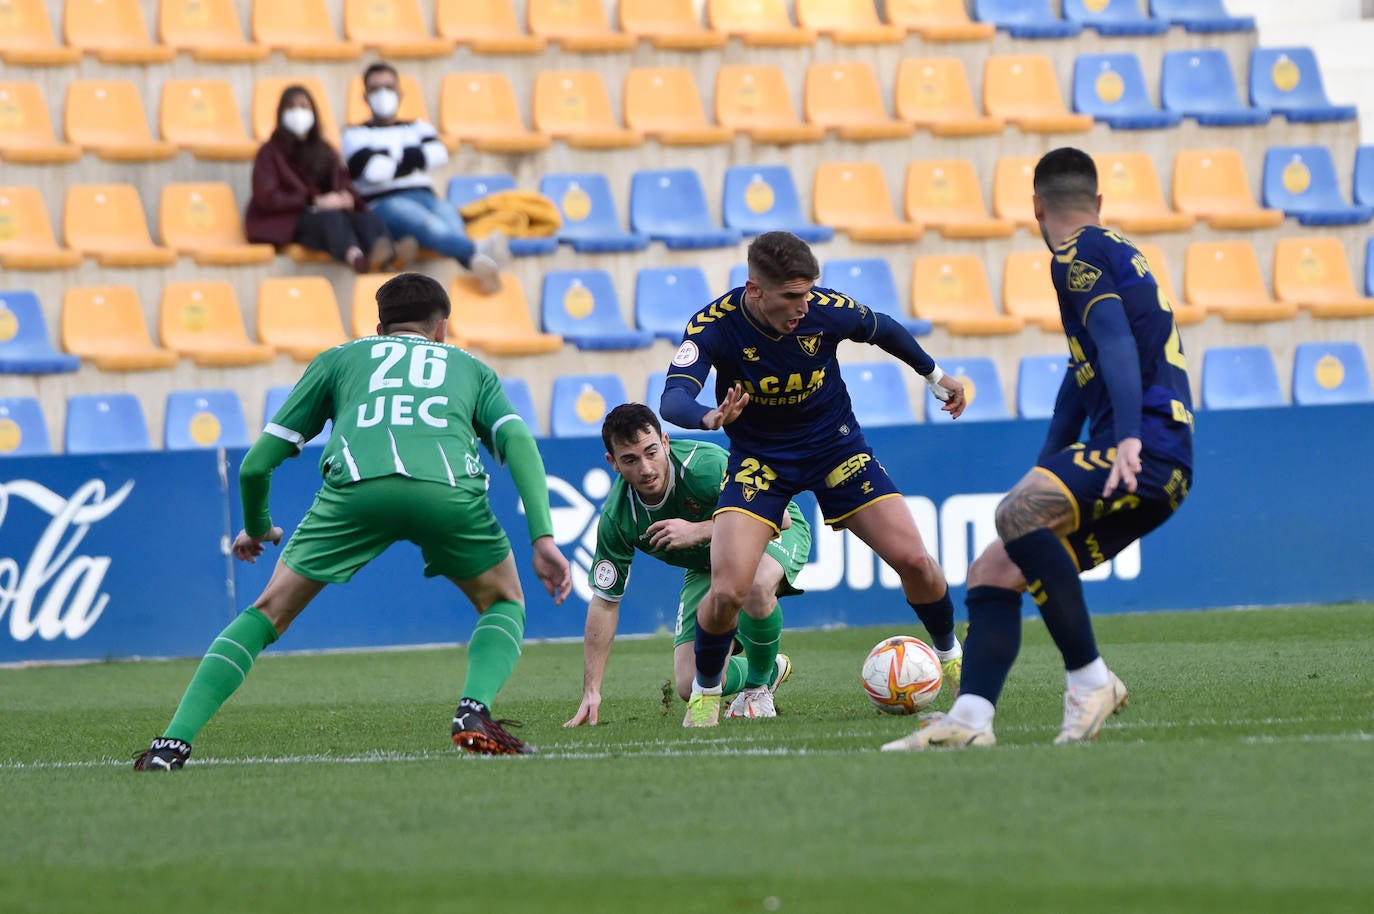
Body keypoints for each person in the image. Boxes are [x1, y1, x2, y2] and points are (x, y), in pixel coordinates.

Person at [133, 273, 572, 770]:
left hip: (356, 493)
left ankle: (171, 745)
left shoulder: (340, 359)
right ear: (442, 328)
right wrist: (542, 537)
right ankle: (473, 711)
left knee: (266, 614)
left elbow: (256, 464)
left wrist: (258, 526)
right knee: (503, 601)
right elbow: (518, 443)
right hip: (448, 493)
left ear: (379, 327)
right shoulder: (471, 368)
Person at [882, 147, 1194, 752]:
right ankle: (971, 719)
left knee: (1015, 514)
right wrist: (1047, 463)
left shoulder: (1076, 255)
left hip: (1144, 448)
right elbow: (1083, 375)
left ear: (1036, 207)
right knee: (993, 568)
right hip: (1164, 460)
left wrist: (1129, 434)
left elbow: (1115, 342)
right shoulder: (1119, 251)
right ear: (1098, 202)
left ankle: (1090, 678)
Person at [660, 231, 968, 728]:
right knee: (727, 592)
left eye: (807, 293)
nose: (804, 306)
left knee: (915, 560)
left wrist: (936, 377)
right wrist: (708, 418)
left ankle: (952, 656)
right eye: (791, 297)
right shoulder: (714, 325)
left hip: (836, 449)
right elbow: (672, 399)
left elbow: (883, 328)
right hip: (761, 462)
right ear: (754, 290)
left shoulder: (824, 308)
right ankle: (705, 694)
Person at [564, 404, 811, 727]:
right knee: (688, 683)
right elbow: (605, 603)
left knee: (755, 584)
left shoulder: (704, 466)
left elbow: (780, 516)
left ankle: (757, 688)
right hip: (709, 562)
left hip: (765, 533)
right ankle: (771, 667)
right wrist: (591, 691)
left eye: (651, 452)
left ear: (665, 442)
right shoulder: (618, 518)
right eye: (630, 460)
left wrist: (697, 530)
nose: (646, 468)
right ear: (613, 463)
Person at [340, 62, 504, 293]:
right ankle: (479, 250)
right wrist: (415, 156)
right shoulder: (354, 134)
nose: (383, 94)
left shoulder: (418, 126)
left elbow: (438, 155)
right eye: (375, 89)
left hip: (426, 196)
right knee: (430, 225)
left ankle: (477, 264)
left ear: (399, 92)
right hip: (384, 204)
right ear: (365, 96)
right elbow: (374, 172)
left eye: (388, 87)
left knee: (450, 218)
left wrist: (389, 158)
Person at [245, 84, 414, 274]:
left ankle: (389, 256)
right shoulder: (269, 152)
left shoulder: (324, 150)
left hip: (329, 213)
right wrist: (314, 201)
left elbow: (342, 181)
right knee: (330, 219)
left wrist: (346, 198)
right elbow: (268, 197)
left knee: (366, 219)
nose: (298, 112)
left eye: (303, 106)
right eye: (291, 107)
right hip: (289, 219)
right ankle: (358, 261)